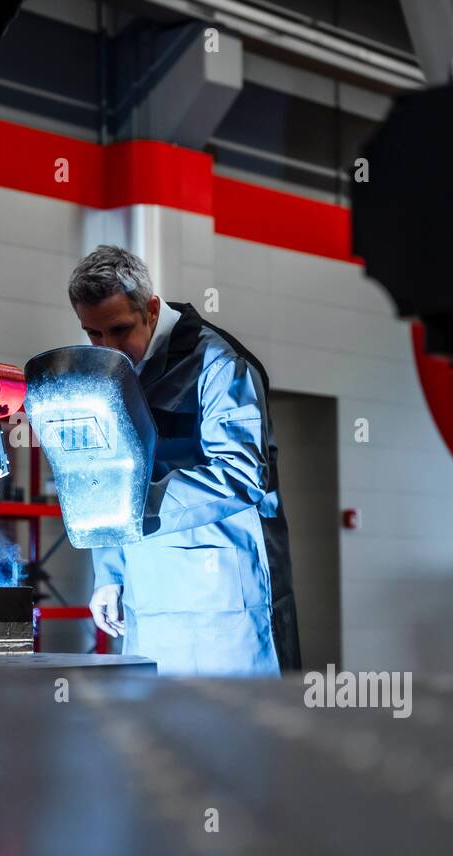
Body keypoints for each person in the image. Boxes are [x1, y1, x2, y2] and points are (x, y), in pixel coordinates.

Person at [68, 245, 300, 676]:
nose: (108, 347)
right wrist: (110, 572)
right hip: (148, 594)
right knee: (156, 732)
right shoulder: (110, 376)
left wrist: (137, 510)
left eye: (119, 330)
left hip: (226, 600)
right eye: (93, 335)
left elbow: (242, 474)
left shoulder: (219, 364)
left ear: (152, 309)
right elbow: (111, 476)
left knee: (241, 732)